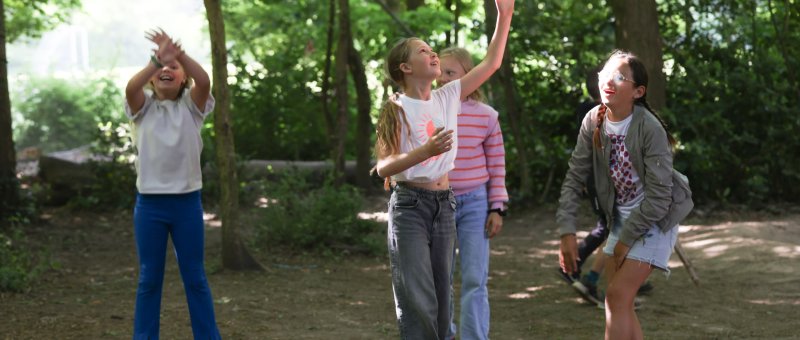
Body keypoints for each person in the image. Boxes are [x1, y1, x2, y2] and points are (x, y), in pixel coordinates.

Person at [373, 2, 514, 338]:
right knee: (418, 297)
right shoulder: (394, 107)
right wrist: (424, 151)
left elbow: (492, 62)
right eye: (424, 50)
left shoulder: (448, 96)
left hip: (444, 205)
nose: (433, 54)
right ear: (406, 67)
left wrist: (505, 15)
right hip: (410, 207)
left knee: (442, 298)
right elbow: (383, 167)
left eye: (433, 49)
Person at [556, 50, 692, 339]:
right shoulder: (593, 120)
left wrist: (626, 238)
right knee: (618, 303)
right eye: (606, 73)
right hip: (620, 217)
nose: (609, 80)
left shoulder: (649, 128)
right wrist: (566, 230)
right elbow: (574, 177)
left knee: (617, 296)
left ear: (637, 91)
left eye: (620, 76)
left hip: (654, 219)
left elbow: (659, 197)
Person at [124, 29, 221, 339]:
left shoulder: (192, 108)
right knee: (149, 279)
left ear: (183, 79)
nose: (167, 70)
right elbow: (131, 87)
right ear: (152, 78)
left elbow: (204, 81)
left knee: (194, 277)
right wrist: (158, 59)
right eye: (161, 69)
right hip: (149, 206)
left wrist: (179, 55)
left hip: (186, 205)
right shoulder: (142, 108)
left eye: (174, 68)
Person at [437, 47, 509, 340]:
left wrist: (497, 207)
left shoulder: (487, 116)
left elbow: (497, 163)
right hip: (438, 204)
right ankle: (444, 333)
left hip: (475, 204)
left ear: (471, 77)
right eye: (439, 73)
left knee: (474, 279)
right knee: (439, 277)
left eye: (451, 73)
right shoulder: (430, 109)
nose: (443, 80)